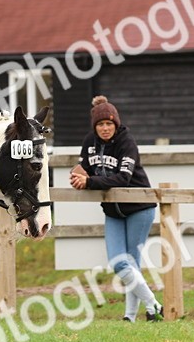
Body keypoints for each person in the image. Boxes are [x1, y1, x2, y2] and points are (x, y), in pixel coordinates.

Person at [70, 95, 163, 323]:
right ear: (94, 126)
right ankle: (150, 307)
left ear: (116, 124)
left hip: (139, 208)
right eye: (100, 124)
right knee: (120, 263)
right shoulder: (89, 142)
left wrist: (90, 182)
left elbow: (123, 177)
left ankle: (137, 312)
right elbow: (83, 169)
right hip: (112, 210)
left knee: (129, 262)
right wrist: (76, 177)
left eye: (109, 124)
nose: (105, 129)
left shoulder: (126, 141)